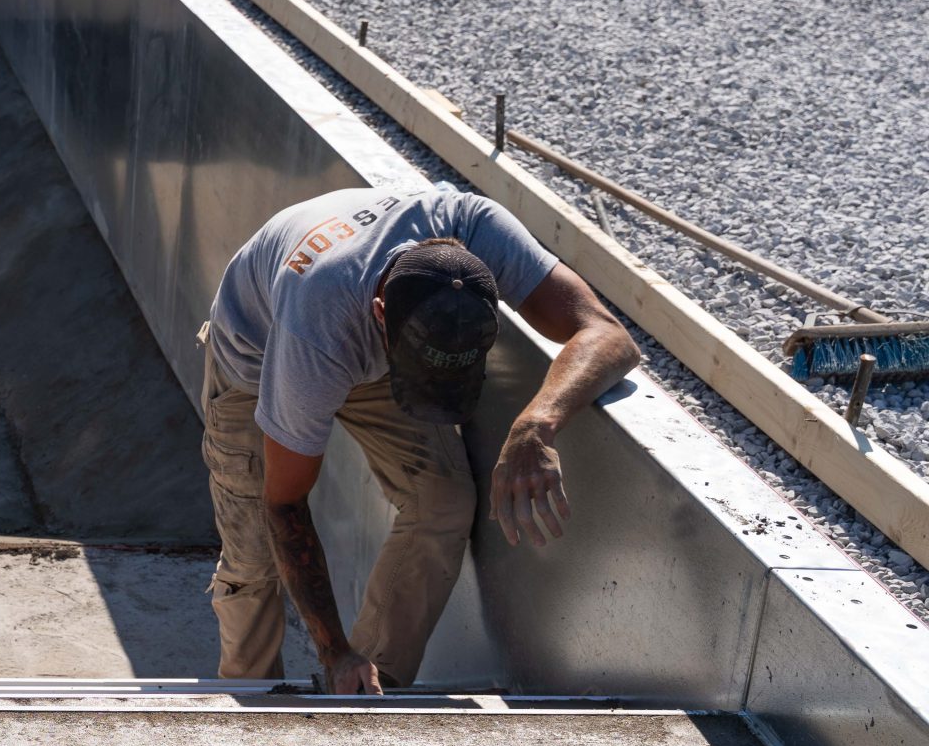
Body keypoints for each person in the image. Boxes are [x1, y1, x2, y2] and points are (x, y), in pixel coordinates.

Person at [201, 185, 638, 694]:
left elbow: (609, 336)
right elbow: (285, 504)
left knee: (444, 501)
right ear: (383, 314)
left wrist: (535, 425)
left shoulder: (477, 228)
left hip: (373, 346)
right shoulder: (315, 332)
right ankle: (249, 709)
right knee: (255, 556)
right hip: (255, 357)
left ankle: (370, 689)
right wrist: (333, 649)